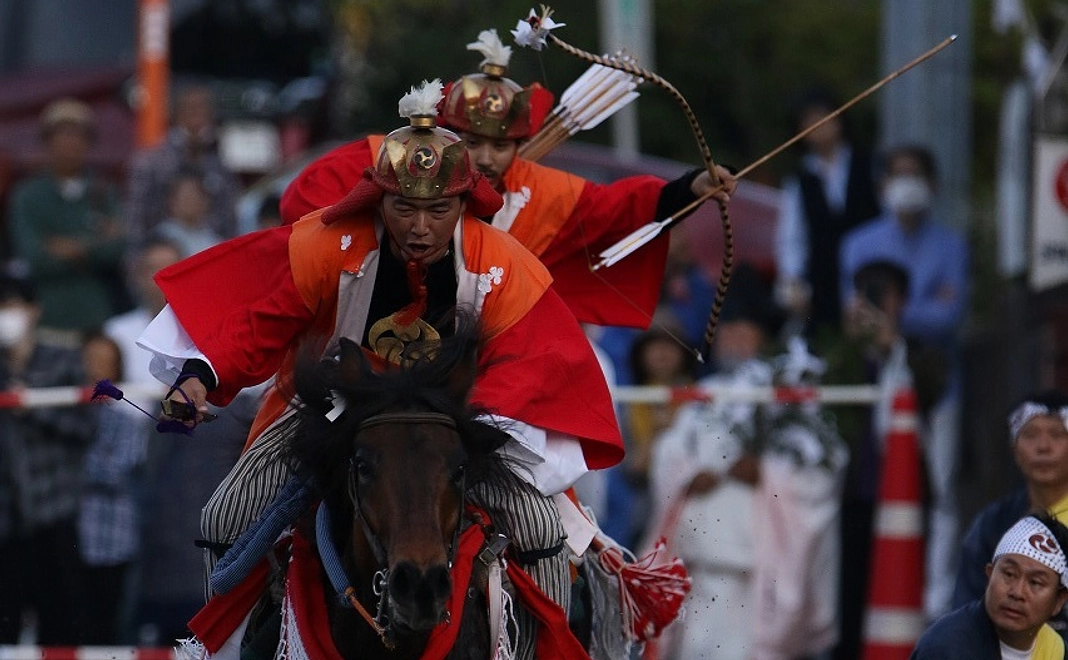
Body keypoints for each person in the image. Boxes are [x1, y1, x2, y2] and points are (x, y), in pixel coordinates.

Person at [137, 81, 622, 658]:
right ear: (377, 199)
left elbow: (533, 362)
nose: (420, 227)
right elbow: (257, 318)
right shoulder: (327, 240)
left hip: (455, 416)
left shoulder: (502, 264)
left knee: (543, 532)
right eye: (404, 207)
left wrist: (468, 409)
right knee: (225, 516)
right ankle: (226, 647)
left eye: (438, 209)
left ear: (464, 205)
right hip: (333, 407)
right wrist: (202, 376)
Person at [279, 28, 736, 331]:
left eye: (500, 146)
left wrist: (688, 188)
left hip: (494, 358)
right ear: (445, 132)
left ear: (519, 145)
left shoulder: (543, 192)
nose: (486, 157)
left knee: (551, 466)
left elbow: (618, 208)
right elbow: (306, 209)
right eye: (471, 141)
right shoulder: (393, 158)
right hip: (371, 342)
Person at [840, 144, 970, 620]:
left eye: (916, 173)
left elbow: (951, 316)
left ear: (933, 185)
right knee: (871, 489)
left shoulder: (952, 244)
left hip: (936, 389)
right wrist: (919, 312)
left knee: (939, 488)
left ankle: (935, 601)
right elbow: (853, 320)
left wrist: (895, 320)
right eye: (898, 174)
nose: (907, 182)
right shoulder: (858, 244)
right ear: (881, 185)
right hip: (871, 387)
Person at [644, 263, 784, 660]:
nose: (736, 337)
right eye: (729, 327)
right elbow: (668, 453)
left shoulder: (780, 394)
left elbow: (812, 470)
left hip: (754, 567)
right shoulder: (703, 395)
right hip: (697, 561)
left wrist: (767, 472)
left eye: (746, 328)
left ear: (763, 334)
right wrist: (688, 476)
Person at [827, 258, 947, 660]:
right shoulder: (841, 352)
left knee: (901, 584)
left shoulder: (921, 354)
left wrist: (891, 347)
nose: (876, 302)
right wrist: (851, 344)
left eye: (885, 293)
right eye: (867, 292)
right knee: (849, 593)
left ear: (903, 301)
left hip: (907, 494)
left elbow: (930, 391)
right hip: (853, 494)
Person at [0, 270, 93, 644]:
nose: (6, 313)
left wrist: (33, 406)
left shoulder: (64, 361)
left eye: (12, 305)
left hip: (57, 510)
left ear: (34, 309)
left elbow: (86, 428)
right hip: (5, 519)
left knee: (62, 625)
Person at [953, 390, 1068, 640]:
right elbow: (965, 611)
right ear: (1014, 448)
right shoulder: (993, 524)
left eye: (1057, 435)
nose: (1043, 447)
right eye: (1030, 435)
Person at [7, 98, 127, 336]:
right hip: (48, 318)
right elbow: (34, 256)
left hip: (99, 318)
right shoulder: (27, 195)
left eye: (78, 135)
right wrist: (95, 242)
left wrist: (67, 246)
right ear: (47, 142)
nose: (70, 142)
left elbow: (118, 248)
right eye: (62, 134)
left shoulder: (103, 190)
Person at [775, 88, 882, 339]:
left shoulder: (870, 164)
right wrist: (792, 280)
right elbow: (792, 238)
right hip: (822, 283)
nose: (818, 126)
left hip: (868, 276)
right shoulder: (799, 180)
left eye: (824, 117)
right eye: (808, 121)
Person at [910, 513, 1068, 659]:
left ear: (1059, 601)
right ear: (990, 574)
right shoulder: (946, 649)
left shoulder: (1055, 648)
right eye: (1009, 574)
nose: (1017, 592)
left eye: (1035, 582)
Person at [78, 332, 148, 644]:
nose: (95, 371)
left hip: (117, 540)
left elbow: (118, 469)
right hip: (72, 538)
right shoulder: (66, 414)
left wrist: (72, 465)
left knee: (112, 629)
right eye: (89, 362)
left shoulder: (129, 421)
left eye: (104, 364)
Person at [125, 83, 242, 244]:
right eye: (190, 110)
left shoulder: (221, 167)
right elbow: (136, 218)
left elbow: (230, 221)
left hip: (209, 248)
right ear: (176, 114)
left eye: (203, 110)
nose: (197, 118)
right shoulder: (150, 163)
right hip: (162, 252)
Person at [151, 171, 225, 258]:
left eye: (194, 196)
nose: (190, 202)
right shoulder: (160, 237)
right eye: (185, 197)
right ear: (172, 201)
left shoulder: (214, 240)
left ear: (205, 201)